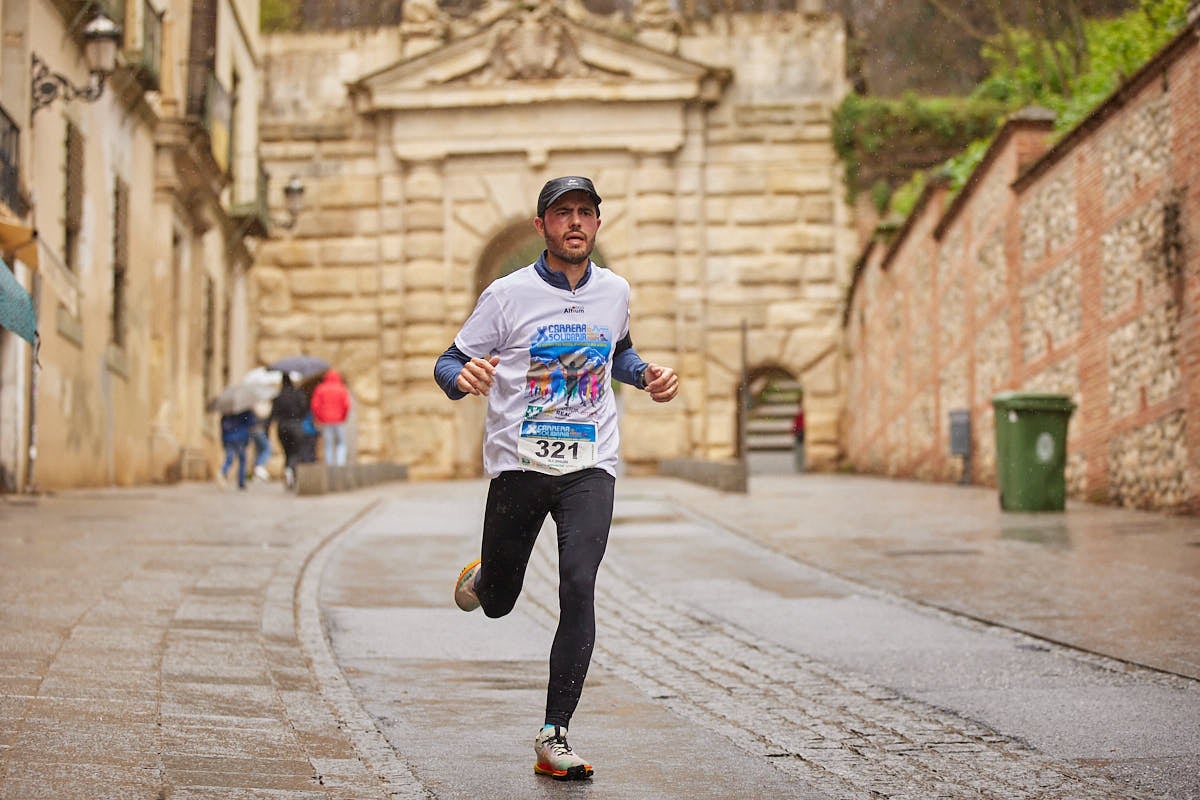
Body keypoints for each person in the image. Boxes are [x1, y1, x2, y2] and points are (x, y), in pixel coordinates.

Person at [434, 176, 679, 781]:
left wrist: (644, 373)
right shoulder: (506, 295)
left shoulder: (615, 290)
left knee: (578, 583)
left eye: (585, 212)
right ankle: (487, 578)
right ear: (541, 225)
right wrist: (460, 379)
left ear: (597, 223)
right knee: (499, 604)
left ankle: (554, 734)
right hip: (520, 465)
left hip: (590, 465)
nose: (575, 222)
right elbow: (449, 360)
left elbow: (618, 351)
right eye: (562, 213)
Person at [267, 372, 309, 489]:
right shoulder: (298, 394)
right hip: (295, 425)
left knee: (287, 452)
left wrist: (267, 428)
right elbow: (304, 409)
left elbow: (273, 414)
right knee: (296, 452)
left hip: (282, 427)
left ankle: (288, 471)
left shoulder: (278, 396)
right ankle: (291, 470)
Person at [310, 369, 351, 466]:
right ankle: (340, 463)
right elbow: (346, 405)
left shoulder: (320, 389)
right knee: (341, 442)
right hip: (339, 420)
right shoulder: (342, 389)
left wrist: (319, 417)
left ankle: (330, 464)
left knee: (328, 443)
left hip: (326, 420)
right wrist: (343, 416)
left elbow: (315, 405)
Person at [218, 409, 255, 490]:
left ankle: (223, 471)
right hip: (240, 437)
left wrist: (223, 441)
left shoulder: (227, 411)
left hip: (228, 438)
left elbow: (223, 426)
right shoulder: (245, 410)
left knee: (229, 458)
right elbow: (251, 424)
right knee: (242, 460)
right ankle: (241, 482)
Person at [249, 400, 273, 482]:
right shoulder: (259, 406)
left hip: (254, 431)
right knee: (267, 449)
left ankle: (256, 473)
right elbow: (263, 416)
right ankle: (259, 466)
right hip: (260, 430)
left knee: (259, 451)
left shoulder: (251, 406)